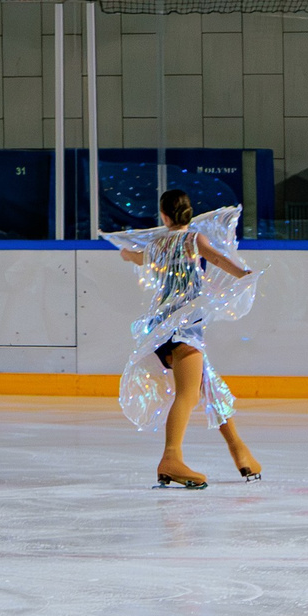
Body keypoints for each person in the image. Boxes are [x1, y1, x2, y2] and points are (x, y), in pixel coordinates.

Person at [107, 188, 261, 488]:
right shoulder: (193, 240)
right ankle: (171, 458)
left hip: (161, 328)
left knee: (209, 386)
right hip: (185, 327)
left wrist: (126, 254)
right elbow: (217, 259)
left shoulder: (156, 244)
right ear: (188, 212)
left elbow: (137, 258)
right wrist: (244, 275)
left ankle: (241, 453)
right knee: (188, 394)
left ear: (164, 216)